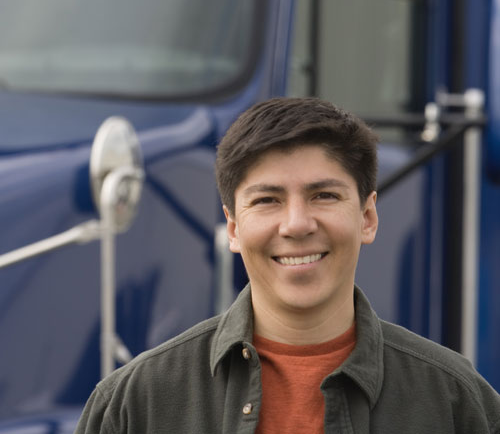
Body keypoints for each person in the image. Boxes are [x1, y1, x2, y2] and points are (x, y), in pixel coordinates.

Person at [75, 97, 500, 433]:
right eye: (267, 200)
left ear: (368, 217)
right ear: (234, 228)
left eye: (324, 195)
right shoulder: (135, 403)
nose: (296, 224)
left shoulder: (455, 401)